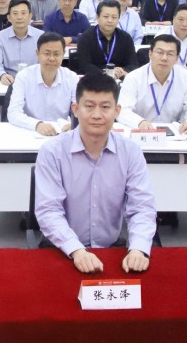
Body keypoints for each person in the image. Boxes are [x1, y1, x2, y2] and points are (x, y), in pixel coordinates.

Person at [34, 72, 155, 274]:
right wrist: (77, 251)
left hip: (111, 248)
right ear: (75, 109)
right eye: (89, 106)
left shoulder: (131, 152)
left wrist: (138, 248)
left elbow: (142, 207)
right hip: (62, 248)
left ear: (117, 111)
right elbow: (49, 211)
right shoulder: (52, 152)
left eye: (105, 107)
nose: (97, 115)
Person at [117, 33, 187, 133]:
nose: (164, 58)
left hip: (177, 133)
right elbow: (122, 110)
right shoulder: (133, 78)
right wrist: (140, 122)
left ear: (177, 58)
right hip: (141, 132)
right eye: (160, 52)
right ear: (150, 54)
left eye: (170, 54)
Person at [7, 32, 79, 136]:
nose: (52, 58)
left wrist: (73, 124)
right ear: (37, 53)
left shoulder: (71, 77)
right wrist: (37, 125)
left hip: (62, 133)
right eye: (47, 53)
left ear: (63, 54)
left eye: (56, 54)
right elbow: (13, 113)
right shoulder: (23, 76)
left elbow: (80, 110)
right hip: (30, 131)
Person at [72, 0, 139, 79]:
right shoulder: (86, 38)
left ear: (119, 18)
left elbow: (134, 64)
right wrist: (105, 73)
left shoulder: (126, 38)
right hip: (94, 80)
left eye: (114, 17)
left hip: (119, 79)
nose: (110, 20)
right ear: (97, 17)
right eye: (106, 16)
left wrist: (122, 71)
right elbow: (84, 65)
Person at [0, 0, 43, 84]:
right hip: (10, 81)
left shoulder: (41, 36)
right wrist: (2, 75)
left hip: (35, 81)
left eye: (23, 13)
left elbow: (45, 62)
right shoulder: (0, 37)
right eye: (15, 13)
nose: (19, 17)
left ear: (30, 16)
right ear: (9, 18)